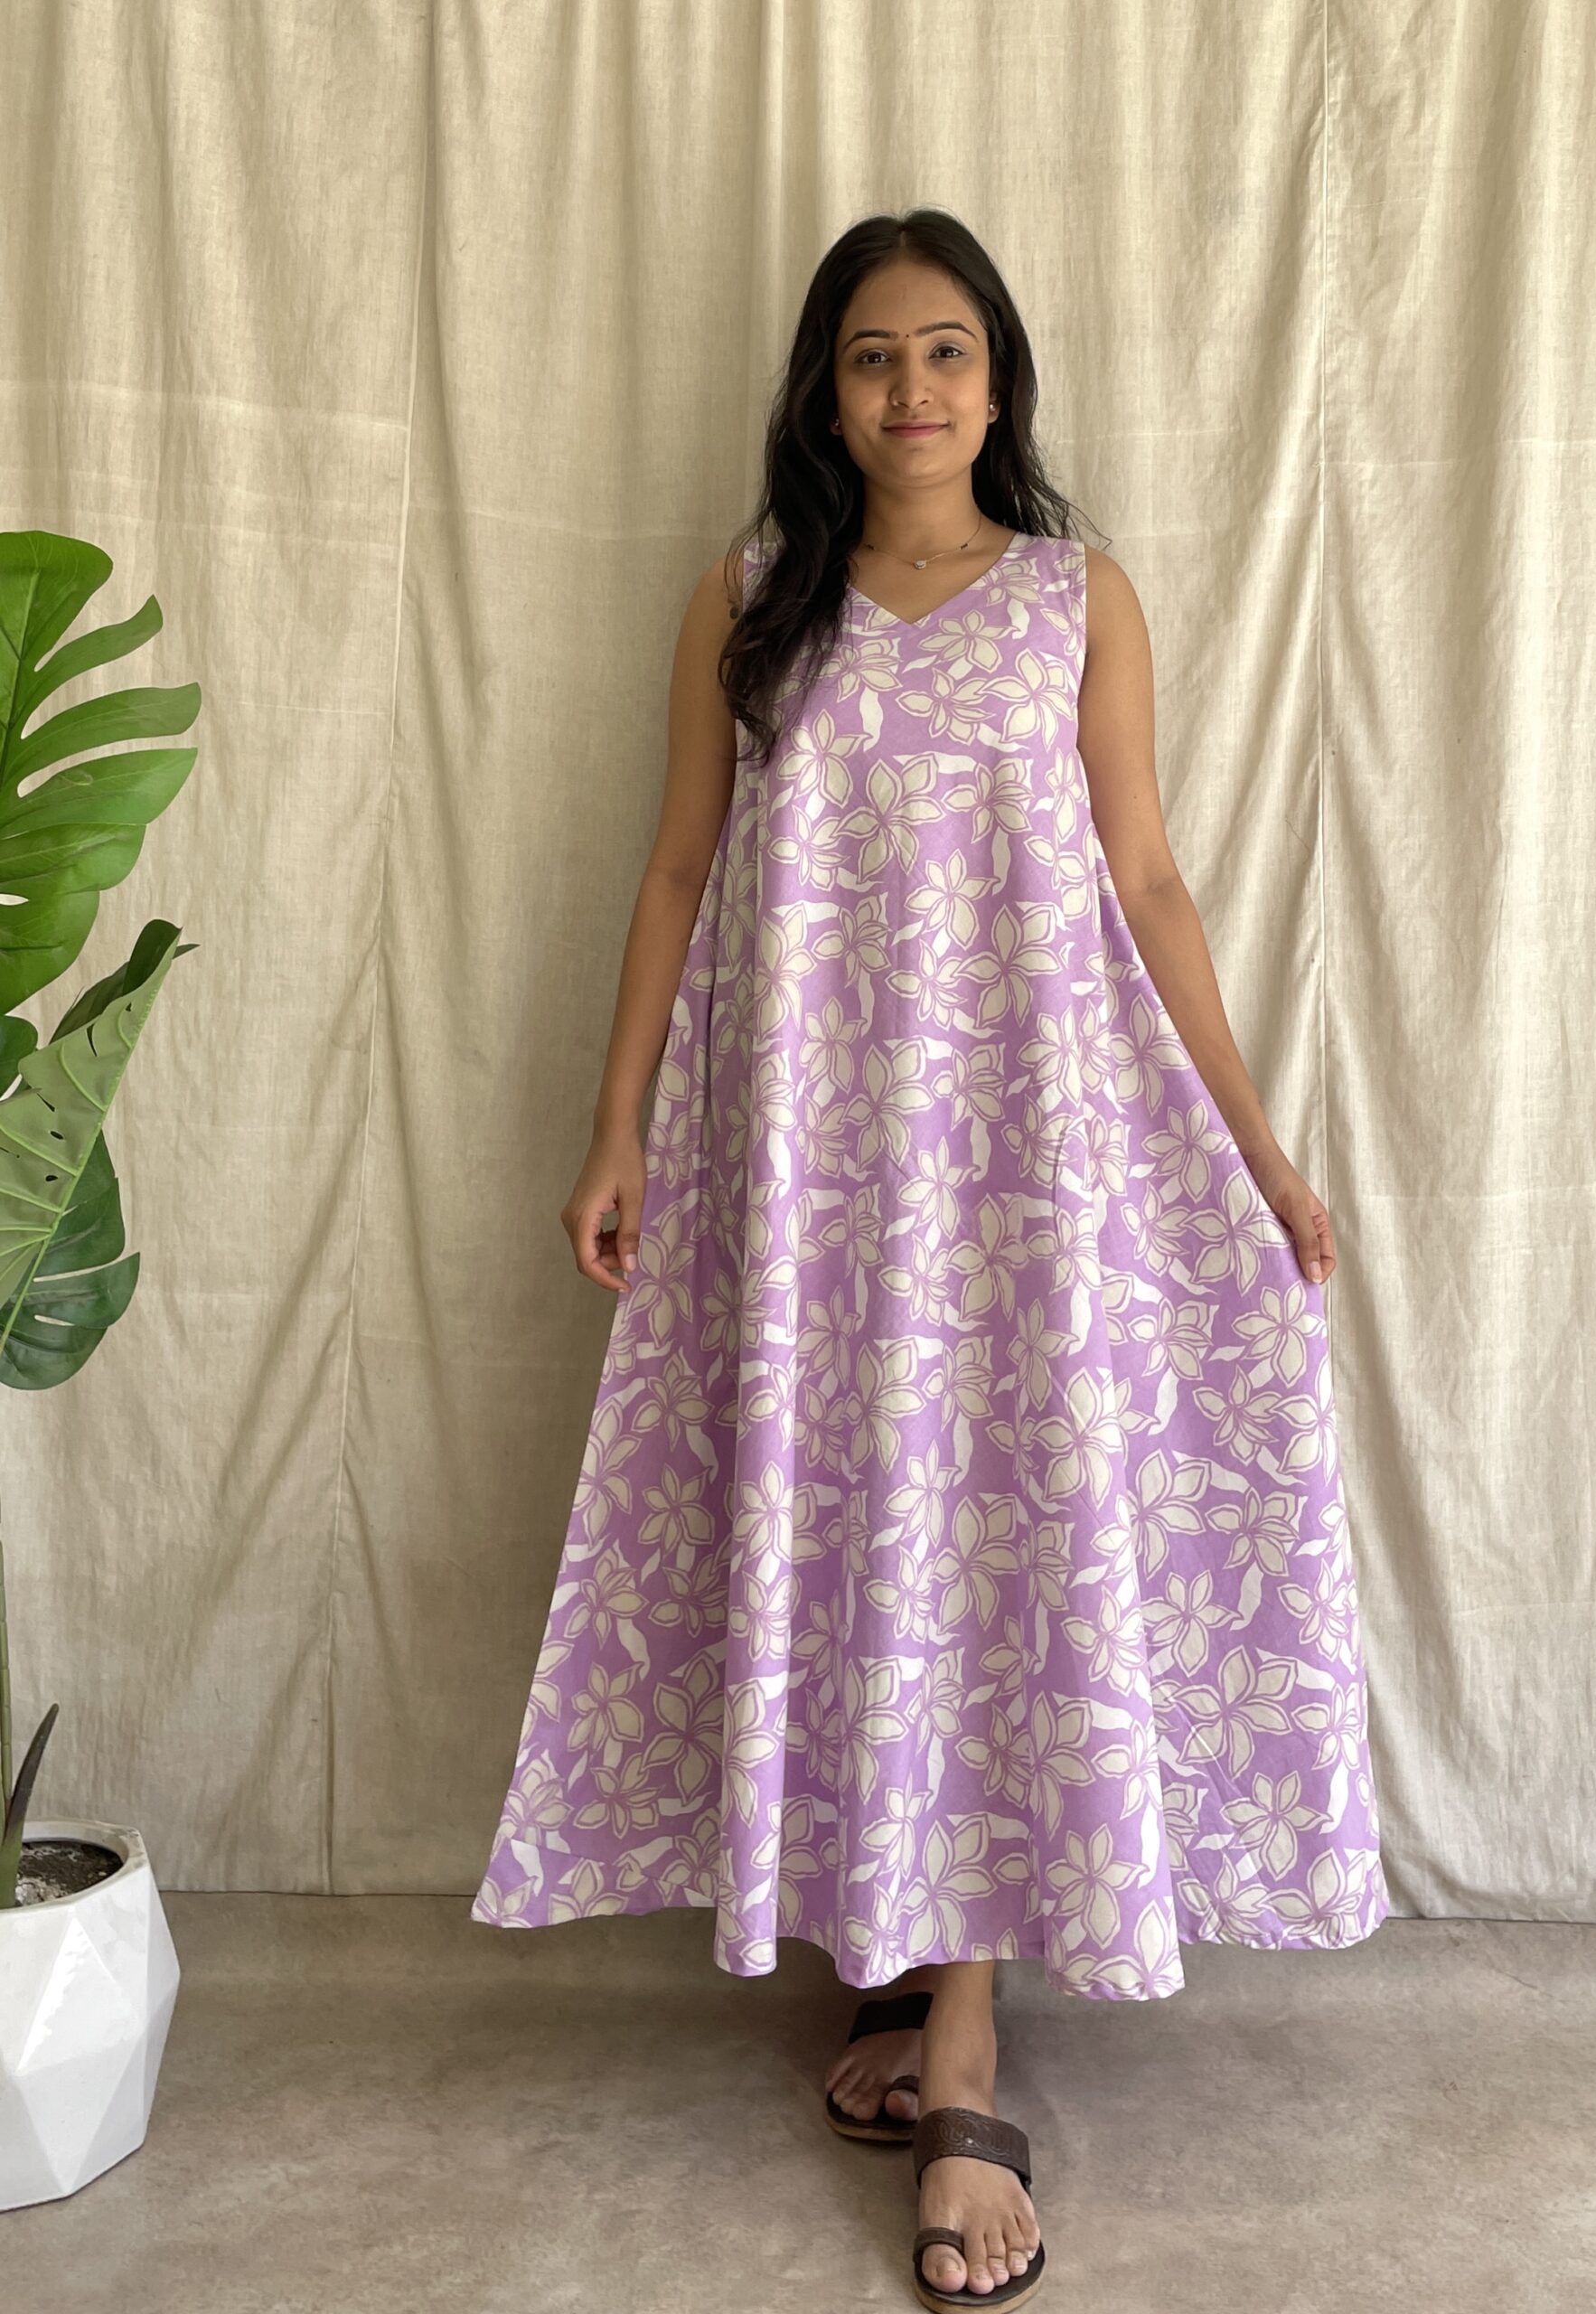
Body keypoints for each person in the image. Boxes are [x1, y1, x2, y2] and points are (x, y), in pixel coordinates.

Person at [473, 207, 1390, 2311]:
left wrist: (1255, 1145)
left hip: (1024, 1173)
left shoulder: (1076, 599)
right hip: (807, 1172)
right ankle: (895, 1960)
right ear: (825, 389)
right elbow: (679, 866)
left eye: (948, 349)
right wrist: (616, 1122)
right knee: (853, 1528)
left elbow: (1144, 879)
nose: (913, 388)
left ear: (1000, 381)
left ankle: (964, 2045)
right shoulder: (751, 600)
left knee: (991, 1540)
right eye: (874, 354)